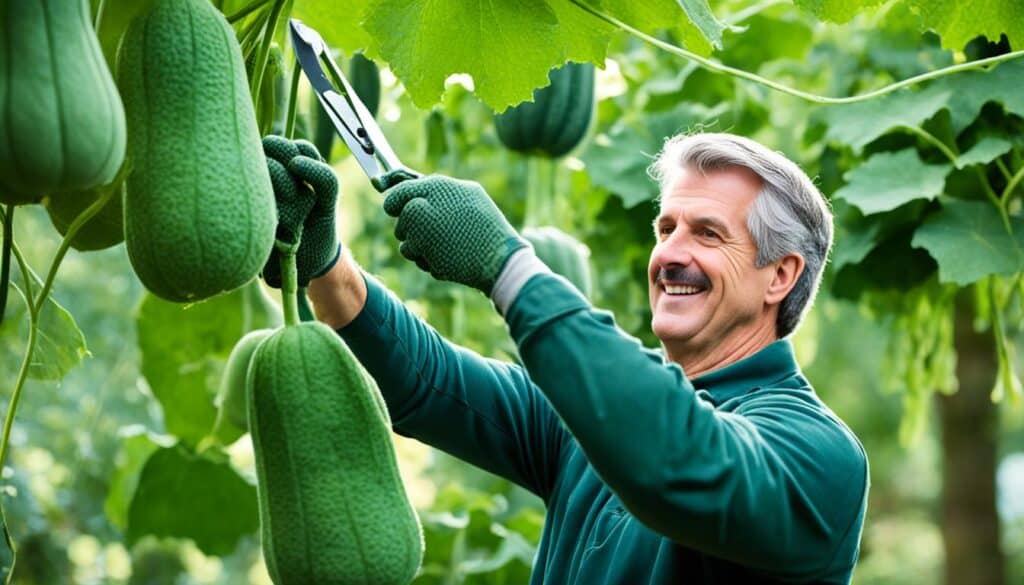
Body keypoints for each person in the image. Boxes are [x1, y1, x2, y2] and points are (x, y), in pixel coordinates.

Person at [260, 131, 869, 584]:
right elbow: (427, 383)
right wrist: (325, 265)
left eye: (708, 234)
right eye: (665, 230)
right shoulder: (585, 424)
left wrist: (509, 267)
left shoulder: (818, 454)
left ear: (780, 276)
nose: (670, 256)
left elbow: (677, 459)